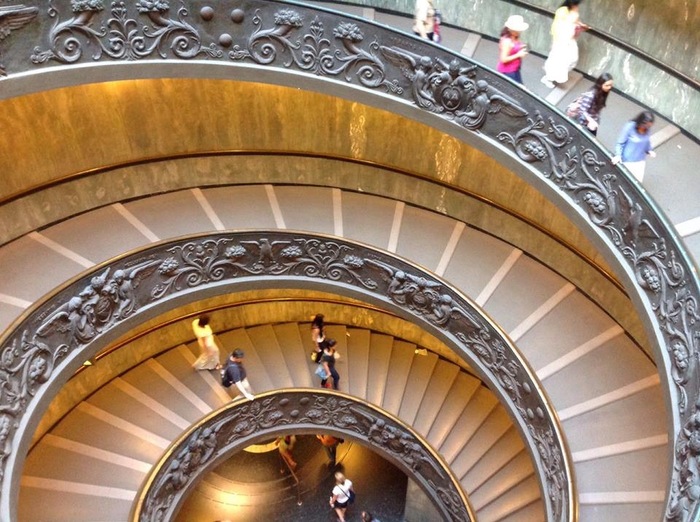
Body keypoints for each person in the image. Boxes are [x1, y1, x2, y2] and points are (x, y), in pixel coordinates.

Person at [541, 0, 589, 88]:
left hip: (570, 40)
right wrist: (556, 41)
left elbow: (576, 22)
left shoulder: (573, 10)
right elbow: (556, 27)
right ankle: (548, 78)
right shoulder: (562, 11)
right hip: (561, 40)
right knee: (557, 60)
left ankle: (558, 75)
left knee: (572, 59)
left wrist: (581, 25)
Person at [612, 110, 656, 183]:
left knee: (637, 182)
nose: (647, 128)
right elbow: (620, 143)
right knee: (624, 182)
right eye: (646, 126)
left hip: (640, 161)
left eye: (649, 126)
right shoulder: (630, 126)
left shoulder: (647, 130)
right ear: (641, 122)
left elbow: (646, 142)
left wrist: (649, 150)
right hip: (628, 161)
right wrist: (618, 155)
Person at [497, 15, 529, 84]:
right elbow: (503, 59)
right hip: (508, 71)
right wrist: (518, 55)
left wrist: (520, 47)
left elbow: (514, 47)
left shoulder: (515, 36)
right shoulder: (507, 41)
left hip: (515, 69)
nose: (519, 31)